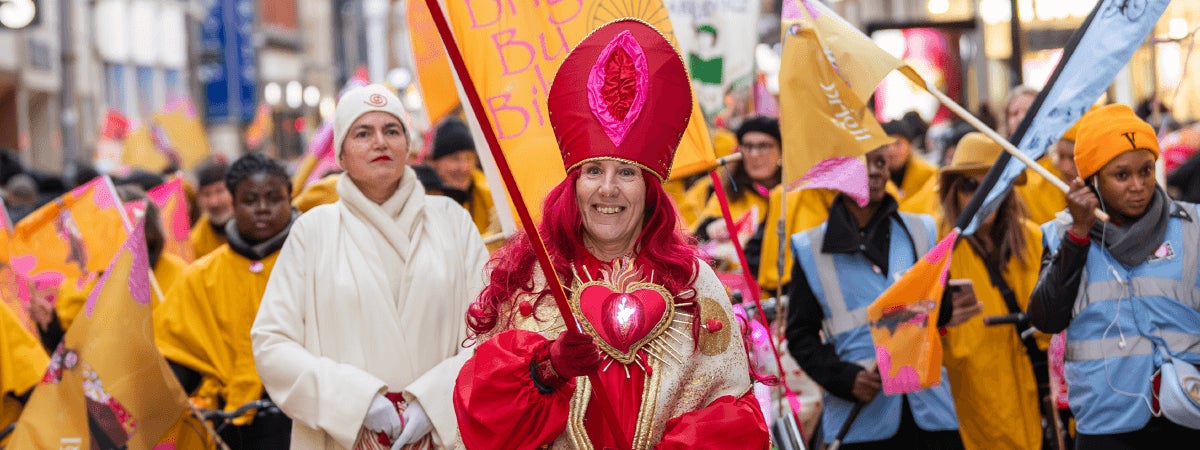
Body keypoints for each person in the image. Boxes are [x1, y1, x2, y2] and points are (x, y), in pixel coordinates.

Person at [453, 19, 770, 449]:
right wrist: (545, 370)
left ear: (648, 188)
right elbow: (483, 411)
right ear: (573, 185)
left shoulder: (693, 281)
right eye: (593, 172)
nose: (608, 188)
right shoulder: (534, 276)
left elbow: (731, 411)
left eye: (626, 172)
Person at [251, 83, 488, 449]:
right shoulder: (312, 232)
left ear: (407, 147)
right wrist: (356, 402)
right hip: (342, 437)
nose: (380, 142)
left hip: (443, 433)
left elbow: (490, 330)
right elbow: (271, 343)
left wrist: (435, 403)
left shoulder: (453, 222)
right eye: (363, 133)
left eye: (391, 131)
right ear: (342, 155)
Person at [1029, 103, 1200, 447]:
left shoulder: (1193, 226)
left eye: (1146, 170)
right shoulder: (1061, 235)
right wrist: (1078, 234)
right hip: (1107, 424)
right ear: (1092, 179)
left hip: (1187, 415)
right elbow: (1046, 317)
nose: (1138, 186)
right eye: (1121, 175)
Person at [786, 147, 971, 449]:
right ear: (837, 176)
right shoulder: (810, 249)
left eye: (881, 163)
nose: (874, 171)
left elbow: (940, 311)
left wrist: (943, 299)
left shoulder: (922, 229)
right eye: (862, 163)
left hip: (931, 413)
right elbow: (800, 335)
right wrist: (845, 378)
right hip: (862, 420)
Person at [155, 153, 299, 448]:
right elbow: (177, 362)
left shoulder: (317, 264)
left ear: (291, 199)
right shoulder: (199, 277)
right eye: (250, 200)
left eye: (274, 198)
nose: (263, 209)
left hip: (307, 420)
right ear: (233, 203)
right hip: (230, 429)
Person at [936, 133, 1048, 450]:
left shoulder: (1033, 240)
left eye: (992, 186)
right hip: (971, 406)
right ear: (953, 192)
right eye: (971, 186)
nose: (982, 196)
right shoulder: (937, 251)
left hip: (1036, 400)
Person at [693, 116, 782, 279]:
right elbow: (696, 238)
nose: (754, 154)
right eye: (748, 146)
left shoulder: (792, 193)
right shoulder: (728, 192)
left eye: (764, 146)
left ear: (781, 150)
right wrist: (711, 227)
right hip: (736, 290)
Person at [427, 116, 498, 236]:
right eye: (454, 159)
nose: (464, 167)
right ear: (435, 163)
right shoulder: (423, 200)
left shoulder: (493, 195)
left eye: (469, 158)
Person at [882, 117, 937, 202]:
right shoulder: (874, 179)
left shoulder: (928, 175)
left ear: (909, 146)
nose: (891, 150)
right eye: (886, 145)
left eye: (898, 143)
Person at [189, 157, 233, 259]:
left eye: (220, 191)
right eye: (206, 194)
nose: (214, 202)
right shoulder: (195, 241)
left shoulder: (254, 228)